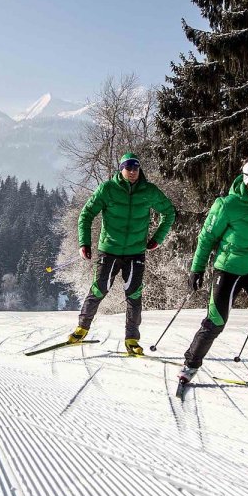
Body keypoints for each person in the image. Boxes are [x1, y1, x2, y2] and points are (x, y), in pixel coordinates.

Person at [179, 157, 248, 386]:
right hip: (228, 269)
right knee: (216, 320)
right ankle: (190, 365)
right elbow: (207, 238)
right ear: (247, 179)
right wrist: (196, 269)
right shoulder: (227, 205)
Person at [68, 152, 175, 354]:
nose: (133, 172)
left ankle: (132, 340)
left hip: (136, 253)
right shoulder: (108, 189)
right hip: (109, 251)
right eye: (128, 168)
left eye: (136, 168)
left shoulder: (149, 191)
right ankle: (81, 329)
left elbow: (169, 212)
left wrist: (157, 238)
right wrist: (84, 242)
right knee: (99, 289)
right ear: (121, 169)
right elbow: (86, 214)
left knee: (134, 296)